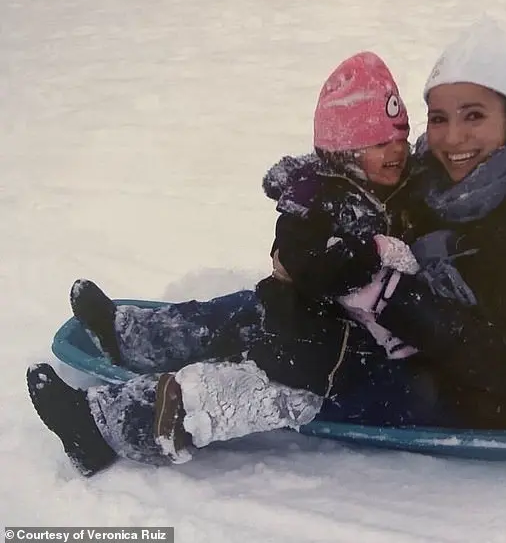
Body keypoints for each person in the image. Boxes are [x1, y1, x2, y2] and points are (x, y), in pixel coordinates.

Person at [26, 52, 435, 476]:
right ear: (344, 153)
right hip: (301, 337)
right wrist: (375, 252)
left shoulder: (388, 186)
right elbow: (308, 261)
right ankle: (128, 340)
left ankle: (100, 426)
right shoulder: (317, 202)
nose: (396, 152)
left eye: (400, 138)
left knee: (214, 393)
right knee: (213, 337)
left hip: (315, 363)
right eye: (380, 143)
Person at [324, 18, 506, 430]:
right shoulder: (435, 178)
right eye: (439, 118)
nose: (452, 138)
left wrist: (391, 296)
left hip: (474, 400)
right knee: (255, 317)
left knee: (288, 362)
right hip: (401, 350)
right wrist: (308, 215)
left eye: (474, 116)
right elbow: (359, 185)